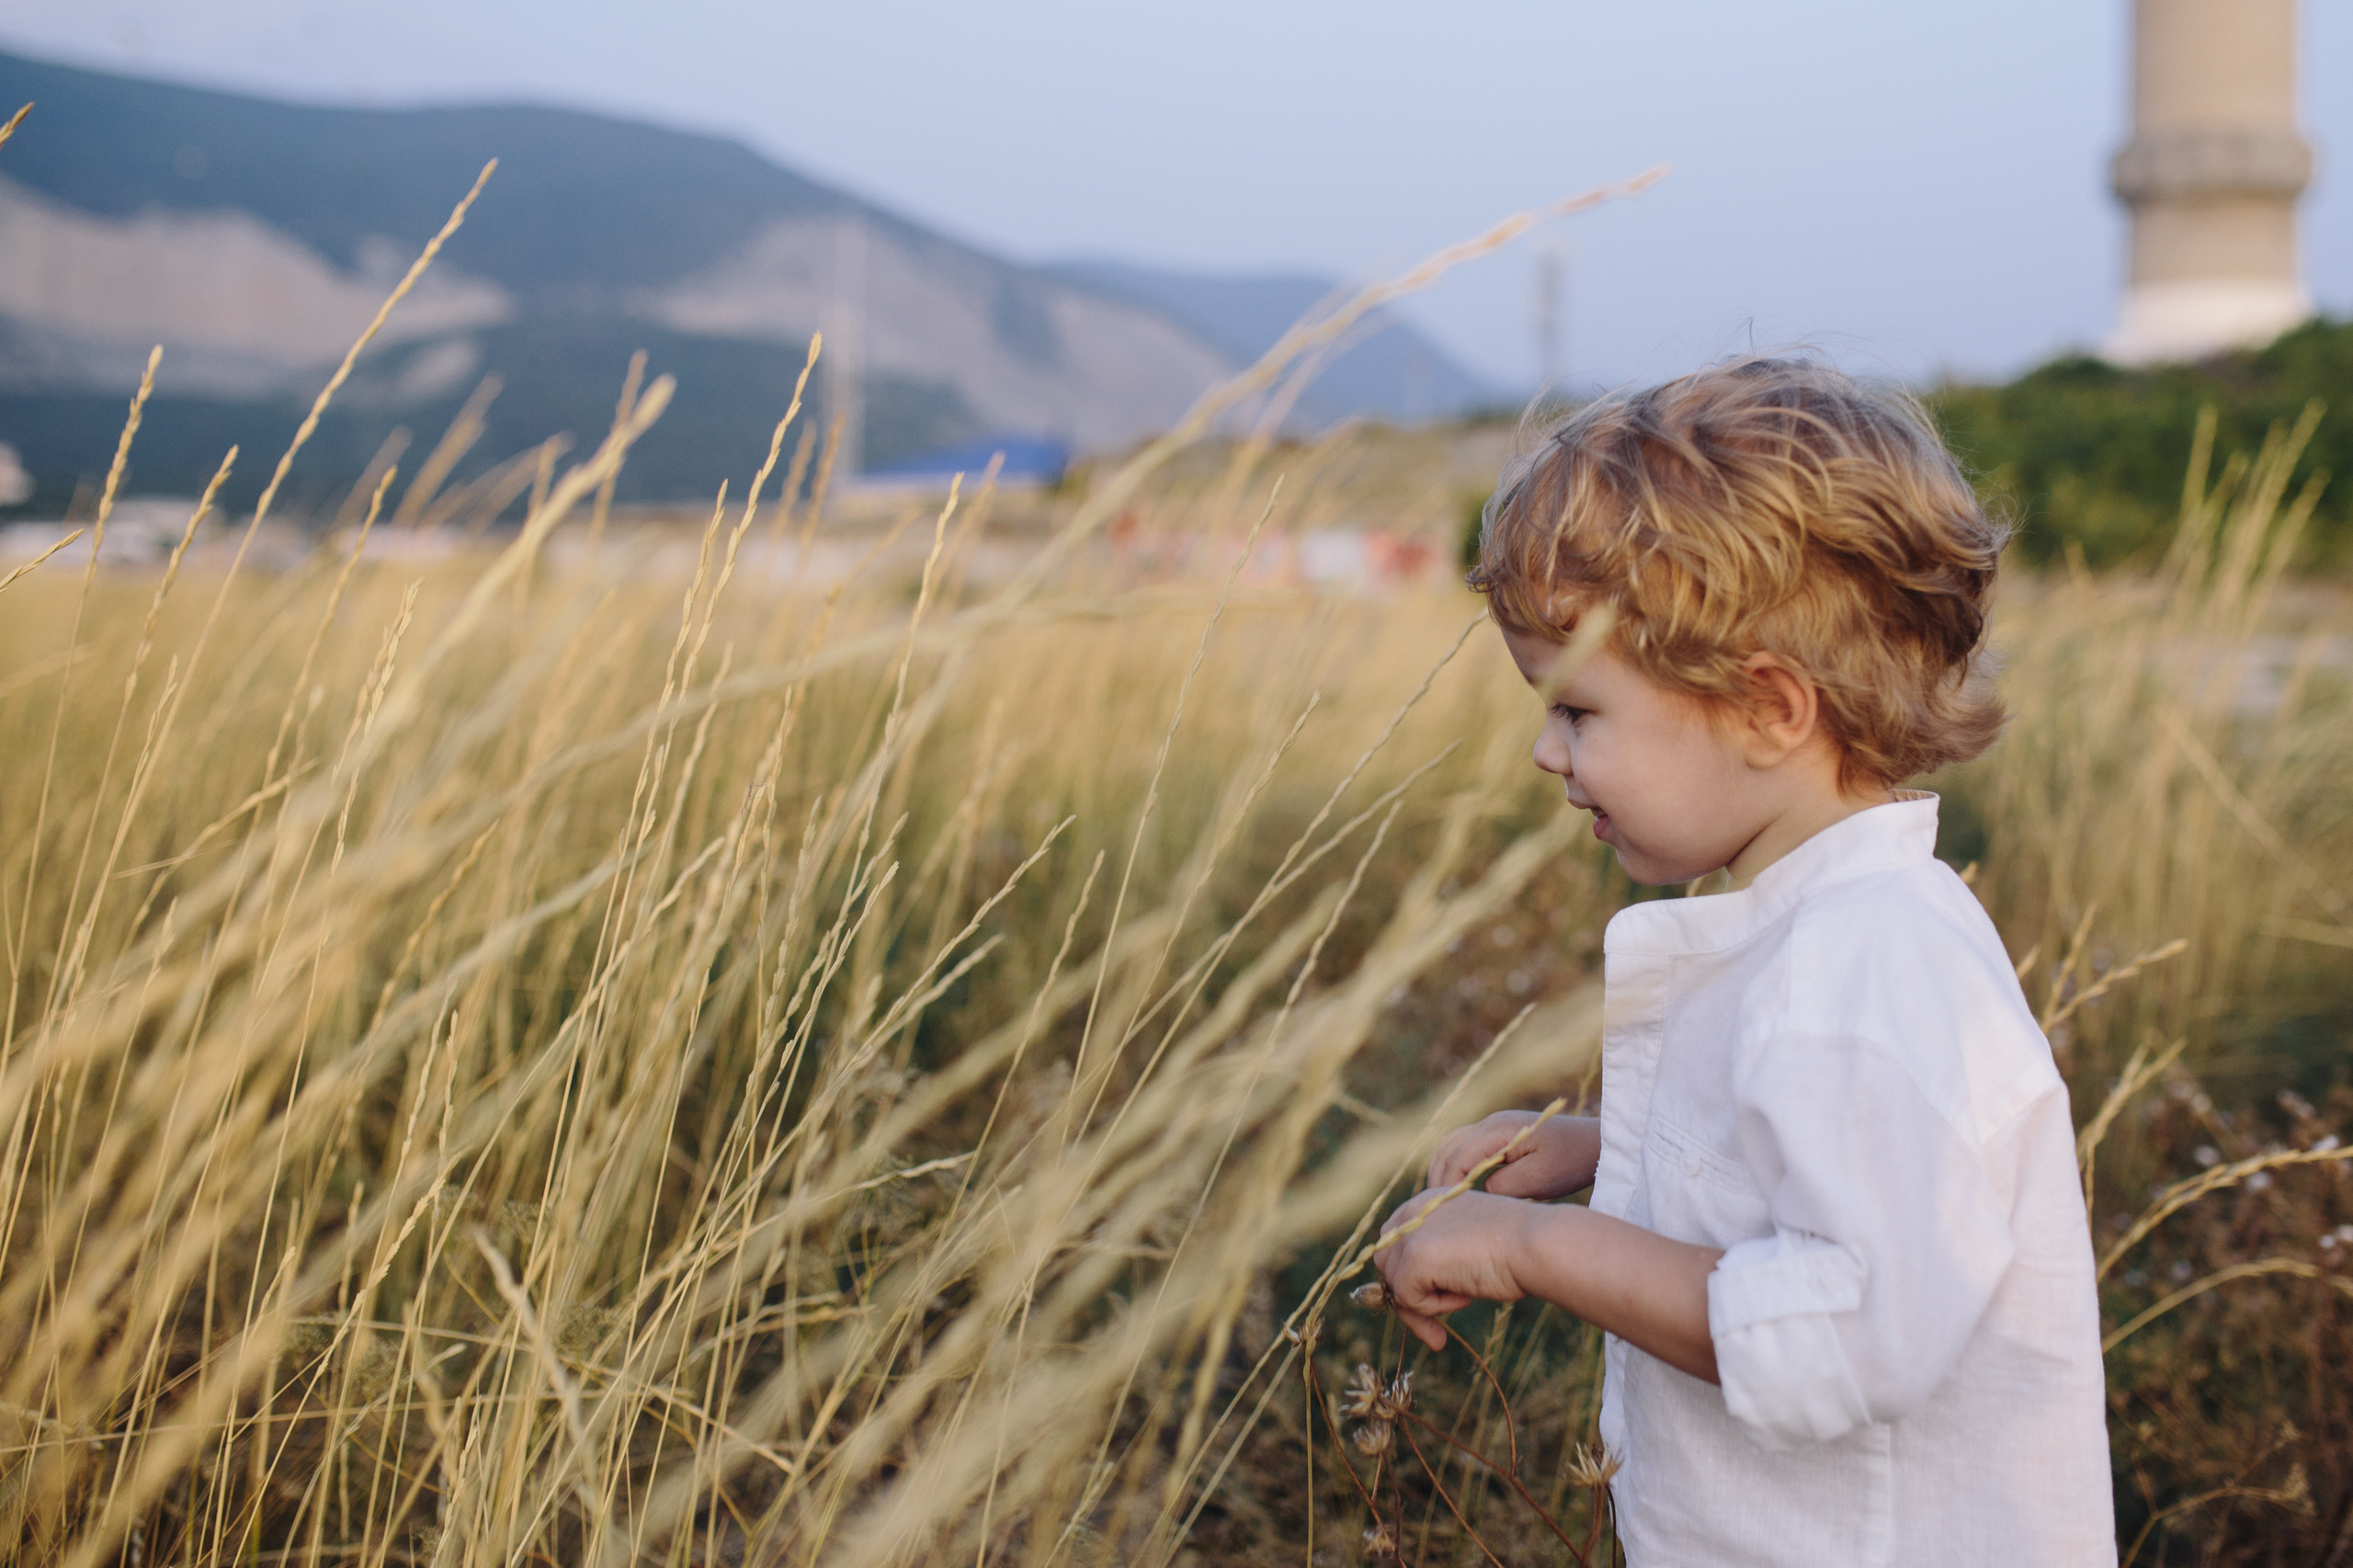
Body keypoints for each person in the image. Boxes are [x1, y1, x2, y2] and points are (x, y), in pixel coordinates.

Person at [1371, 358, 2113, 1564]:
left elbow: (1849, 1322)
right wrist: (1593, 1153)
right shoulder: (1821, 931)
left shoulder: (1865, 966)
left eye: (1579, 710)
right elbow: (1810, 1170)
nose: (1545, 756)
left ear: (1770, 709)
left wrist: (1533, 1249)